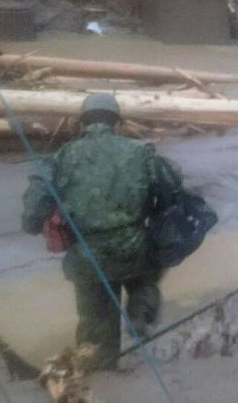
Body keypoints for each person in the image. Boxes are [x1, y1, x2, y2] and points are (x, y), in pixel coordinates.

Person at [21, 92, 184, 370]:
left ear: (82, 123)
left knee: (96, 325)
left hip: (88, 258)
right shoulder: (141, 151)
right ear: (117, 123)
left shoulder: (62, 157)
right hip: (135, 250)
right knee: (147, 271)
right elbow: (172, 188)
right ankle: (140, 312)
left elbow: (36, 204)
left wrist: (32, 224)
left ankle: (102, 370)